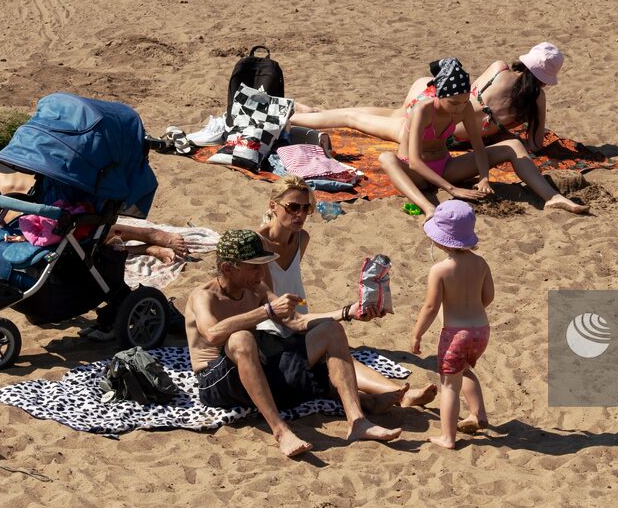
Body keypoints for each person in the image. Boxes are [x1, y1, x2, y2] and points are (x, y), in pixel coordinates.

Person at [185, 228, 402, 459]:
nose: (262, 273)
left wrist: (348, 312)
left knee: (331, 330)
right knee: (242, 338)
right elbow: (211, 334)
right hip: (215, 383)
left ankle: (358, 421)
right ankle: (281, 431)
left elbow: (296, 322)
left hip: (254, 369)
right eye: (254, 267)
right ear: (228, 268)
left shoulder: (256, 288)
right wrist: (266, 311)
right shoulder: (204, 296)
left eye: (263, 265)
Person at [255, 176, 436, 410]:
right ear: (273, 206)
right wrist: (346, 312)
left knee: (337, 355)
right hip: (274, 333)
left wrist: (350, 311)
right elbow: (284, 316)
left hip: (301, 325)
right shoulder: (259, 245)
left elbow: (291, 292)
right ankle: (391, 397)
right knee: (333, 352)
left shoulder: (301, 238)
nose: (299, 214)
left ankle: (399, 393)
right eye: (292, 207)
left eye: (305, 208)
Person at [0, 120, 188, 261]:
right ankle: (145, 249)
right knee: (77, 248)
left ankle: (151, 235)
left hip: (48, 199)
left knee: (83, 228)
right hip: (34, 232)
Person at [383, 59, 588, 216]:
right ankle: (428, 208)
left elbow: (479, 147)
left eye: (464, 102)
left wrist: (483, 178)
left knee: (513, 145)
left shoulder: (463, 108)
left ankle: (551, 196)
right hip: (415, 174)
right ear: (439, 95)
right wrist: (452, 189)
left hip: (445, 167)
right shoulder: (423, 110)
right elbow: (415, 162)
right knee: (386, 158)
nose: (460, 108)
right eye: (454, 103)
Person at [287, 42, 564, 152]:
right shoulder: (536, 100)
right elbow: (536, 144)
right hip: (443, 131)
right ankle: (292, 117)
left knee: (393, 114)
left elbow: (464, 96)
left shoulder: (498, 67)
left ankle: (309, 111)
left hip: (427, 95)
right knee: (354, 120)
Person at [410, 202, 493, 449]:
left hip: (456, 334)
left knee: (449, 385)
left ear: (442, 240)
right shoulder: (481, 263)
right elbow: (488, 296)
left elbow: (430, 307)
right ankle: (478, 414)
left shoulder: (440, 270)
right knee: (464, 369)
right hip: (481, 330)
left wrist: (417, 334)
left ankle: (448, 437)